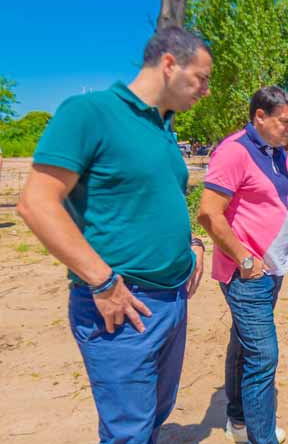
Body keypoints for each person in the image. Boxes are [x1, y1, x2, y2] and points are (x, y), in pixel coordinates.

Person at [17, 26, 212, 443]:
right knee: (129, 431)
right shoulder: (90, 113)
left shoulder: (164, 130)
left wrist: (192, 242)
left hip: (173, 300)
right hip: (123, 307)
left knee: (155, 414)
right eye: (202, 77)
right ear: (169, 64)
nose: (207, 91)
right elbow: (36, 203)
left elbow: (167, 197)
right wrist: (102, 281)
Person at [198, 86, 288, 444]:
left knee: (243, 345)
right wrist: (244, 258)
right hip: (247, 274)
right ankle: (261, 437)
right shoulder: (234, 152)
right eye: (284, 122)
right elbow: (209, 213)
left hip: (270, 270)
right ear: (260, 116)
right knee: (263, 356)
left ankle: (238, 422)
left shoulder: (276, 152)